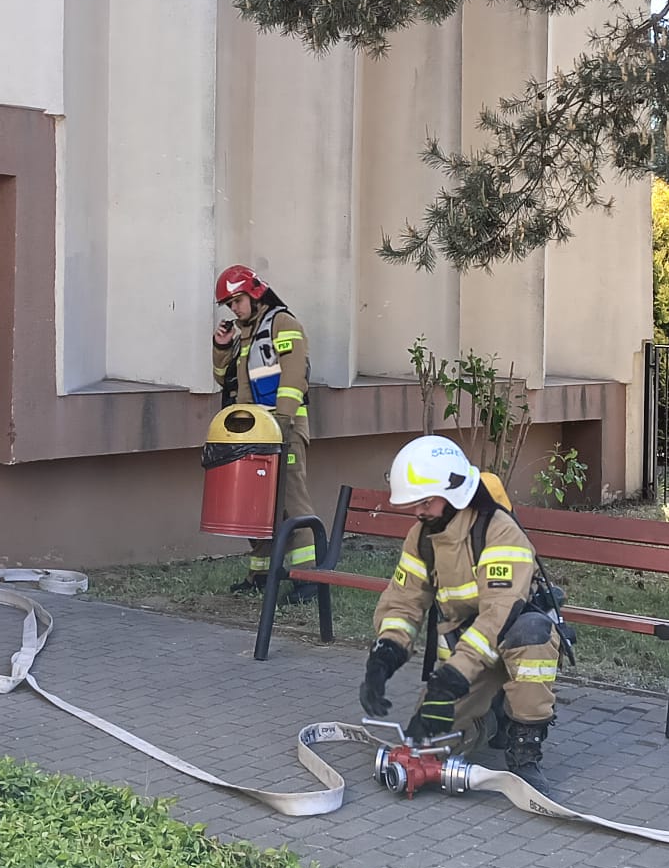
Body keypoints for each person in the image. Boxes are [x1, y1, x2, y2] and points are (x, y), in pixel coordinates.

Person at [358, 435, 561, 781]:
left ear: (453, 492)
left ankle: (526, 746)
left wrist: (450, 680)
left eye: (425, 501)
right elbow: (404, 601)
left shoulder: (499, 531)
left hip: (511, 638)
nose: (418, 511)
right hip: (468, 649)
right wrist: (383, 657)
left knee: (531, 633)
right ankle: (492, 714)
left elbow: (499, 616)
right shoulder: (422, 537)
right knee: (429, 743)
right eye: (415, 503)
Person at [210, 264, 315, 592]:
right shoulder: (245, 334)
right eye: (230, 304)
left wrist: (282, 424)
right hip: (255, 432)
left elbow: (294, 378)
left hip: (284, 427)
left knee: (291, 502)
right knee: (256, 504)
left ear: (255, 294)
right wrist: (222, 346)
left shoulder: (283, 324)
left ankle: (308, 579)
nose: (234, 308)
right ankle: (261, 576)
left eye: (237, 301)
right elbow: (225, 380)